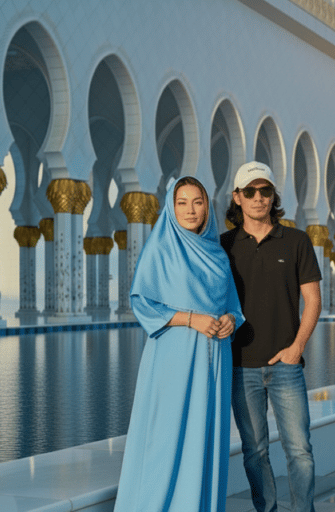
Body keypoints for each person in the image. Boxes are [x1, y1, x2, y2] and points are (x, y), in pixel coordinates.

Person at [113, 176, 245, 512]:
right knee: (166, 440)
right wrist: (191, 319)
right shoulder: (161, 248)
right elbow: (142, 302)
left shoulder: (217, 254)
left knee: (206, 441)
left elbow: (232, 306)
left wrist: (231, 319)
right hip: (174, 357)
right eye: (181, 202)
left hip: (215, 359)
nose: (190, 209)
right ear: (171, 207)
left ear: (207, 207)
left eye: (197, 202)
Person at [221, 161, 322, 512]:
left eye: (264, 191)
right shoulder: (225, 245)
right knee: (254, 453)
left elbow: (314, 300)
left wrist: (297, 348)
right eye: (249, 191)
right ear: (237, 197)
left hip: (286, 365)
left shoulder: (295, 240)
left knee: (300, 451)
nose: (258, 198)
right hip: (241, 366)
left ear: (273, 195)